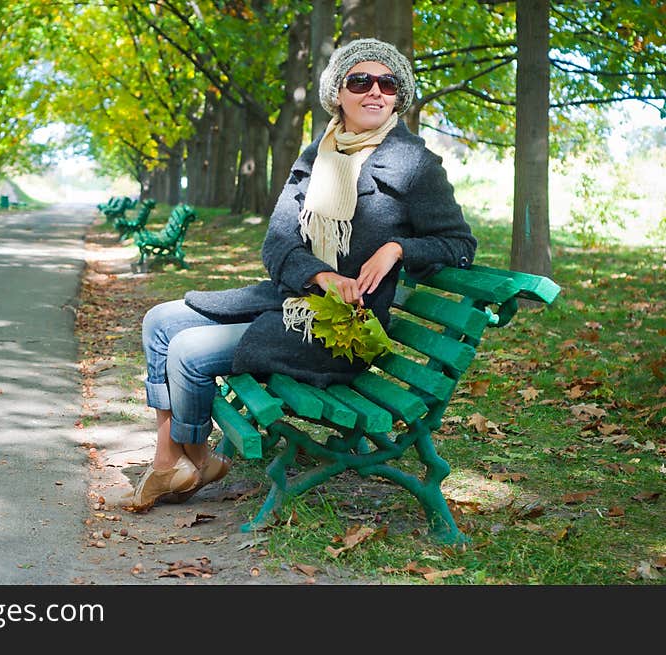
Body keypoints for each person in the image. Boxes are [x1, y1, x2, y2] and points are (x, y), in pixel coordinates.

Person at [121, 37, 477, 512]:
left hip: (340, 331)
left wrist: (397, 248)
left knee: (187, 349)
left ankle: (178, 463)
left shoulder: (415, 164)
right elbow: (277, 244)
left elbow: (459, 245)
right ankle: (182, 459)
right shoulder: (316, 156)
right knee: (159, 321)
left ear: (398, 96)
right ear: (338, 94)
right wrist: (320, 276)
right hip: (295, 300)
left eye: (388, 84)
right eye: (361, 81)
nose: (375, 91)